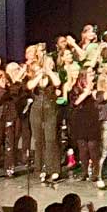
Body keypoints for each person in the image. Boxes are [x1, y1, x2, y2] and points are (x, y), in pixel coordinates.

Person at [26, 49, 62, 183]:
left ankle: (53, 169)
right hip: (36, 110)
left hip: (50, 110)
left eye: (51, 62)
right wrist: (39, 74)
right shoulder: (33, 76)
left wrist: (49, 72)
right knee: (38, 140)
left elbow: (57, 83)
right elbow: (30, 86)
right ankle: (40, 168)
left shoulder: (55, 75)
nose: (49, 64)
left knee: (51, 140)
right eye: (47, 63)